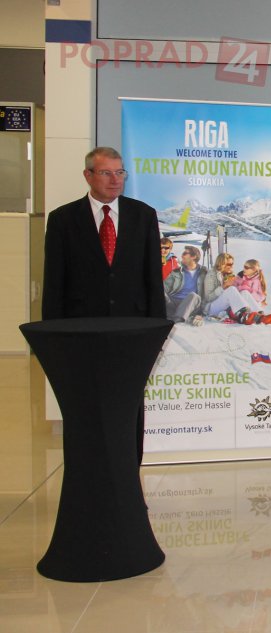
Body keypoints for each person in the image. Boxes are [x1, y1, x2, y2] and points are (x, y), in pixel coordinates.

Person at [42, 146, 166, 464]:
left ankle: (128, 480)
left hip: (132, 332)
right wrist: (53, 339)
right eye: (106, 173)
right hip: (81, 332)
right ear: (88, 175)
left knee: (129, 408)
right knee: (84, 407)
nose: (115, 180)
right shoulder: (63, 220)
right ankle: (87, 479)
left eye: (120, 172)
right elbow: (54, 284)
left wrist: (158, 331)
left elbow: (153, 278)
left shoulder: (143, 215)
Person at [201, 252, 271, 325]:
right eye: (229, 264)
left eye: (232, 264)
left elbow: (235, 294)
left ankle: (261, 316)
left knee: (244, 292)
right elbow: (208, 298)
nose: (232, 266)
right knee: (231, 290)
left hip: (226, 307)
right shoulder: (211, 276)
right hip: (211, 309)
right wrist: (223, 287)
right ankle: (244, 315)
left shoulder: (229, 274)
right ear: (222, 264)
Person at [164, 245, 206, 325]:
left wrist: (202, 313)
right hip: (173, 302)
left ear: (193, 257)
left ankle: (176, 319)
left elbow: (208, 292)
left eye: (185, 253)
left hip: (190, 304)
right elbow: (165, 287)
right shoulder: (177, 272)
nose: (182, 256)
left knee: (193, 295)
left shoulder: (204, 272)